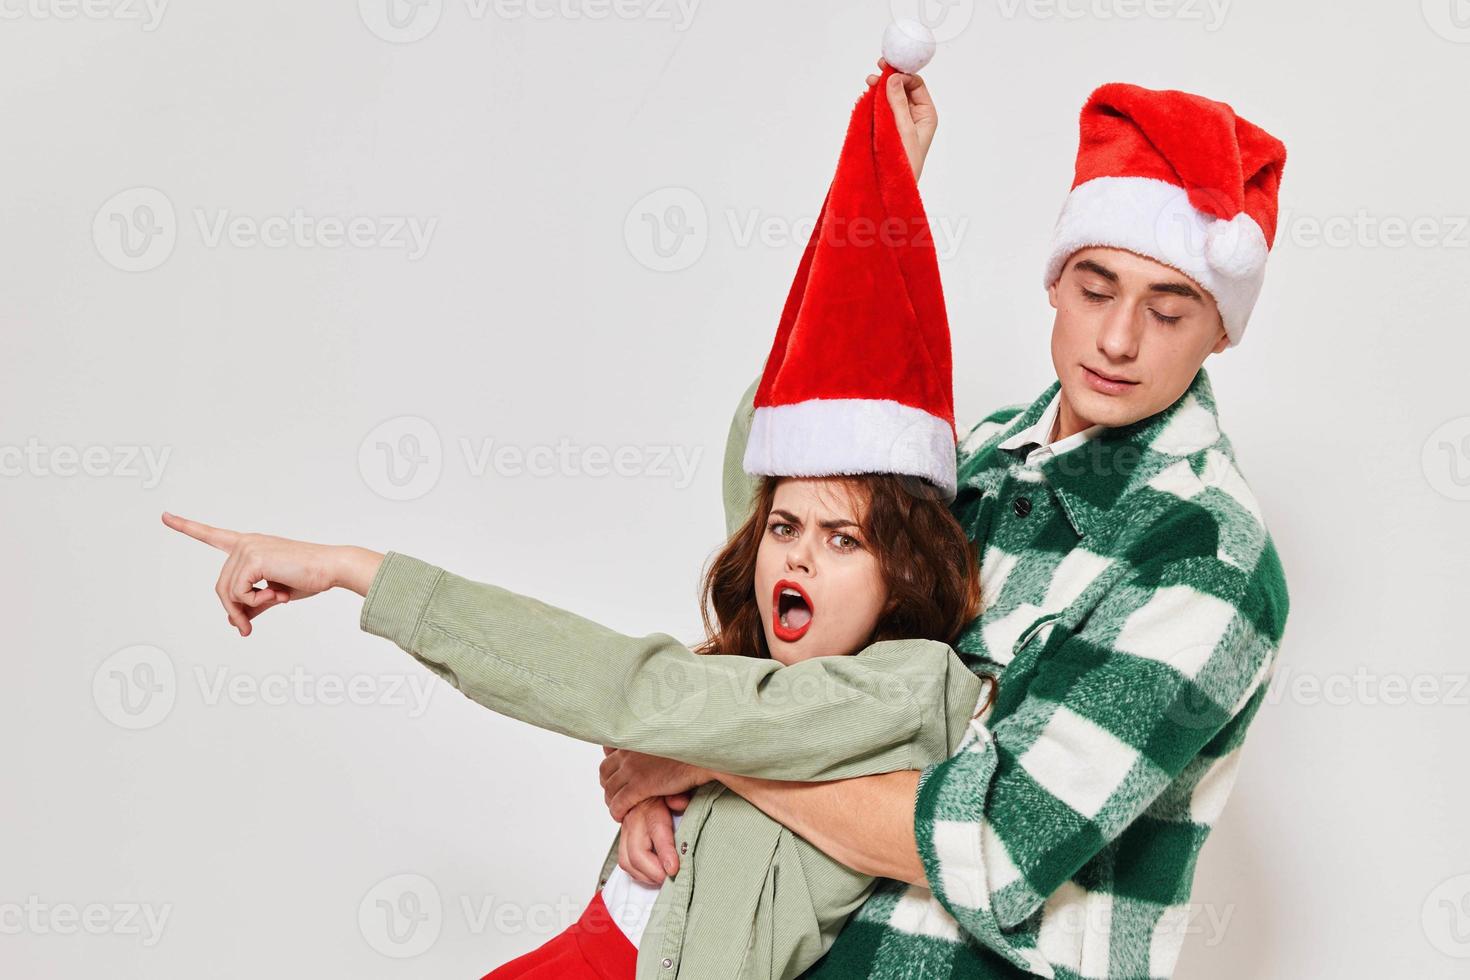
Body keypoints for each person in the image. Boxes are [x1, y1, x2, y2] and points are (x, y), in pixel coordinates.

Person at [168, 47, 1293, 980]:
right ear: (1052, 280)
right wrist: (877, 200)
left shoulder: (1205, 557)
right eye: (1095, 286)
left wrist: (701, 746)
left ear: (1220, 328)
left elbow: (990, 848)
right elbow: (781, 479)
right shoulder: (984, 459)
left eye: (1170, 305)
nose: (1117, 339)